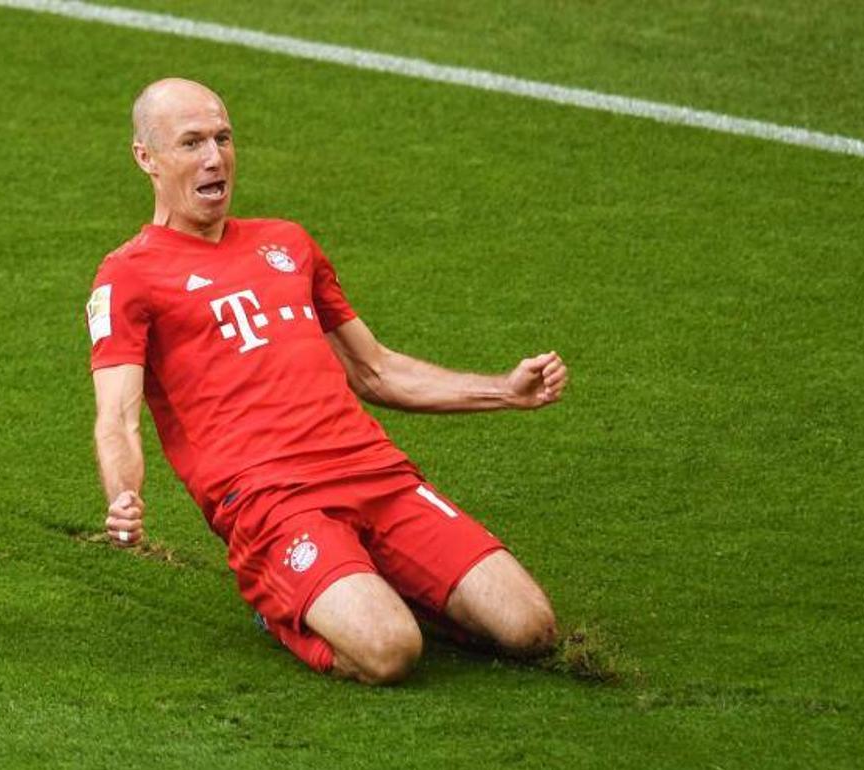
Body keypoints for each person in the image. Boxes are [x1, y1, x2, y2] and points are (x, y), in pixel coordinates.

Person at [88, 78, 569, 685]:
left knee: (530, 629)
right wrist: (122, 495)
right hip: (272, 501)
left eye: (223, 138)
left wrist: (504, 390)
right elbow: (118, 416)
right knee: (391, 652)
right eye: (191, 143)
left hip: (375, 473)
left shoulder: (286, 243)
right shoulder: (128, 274)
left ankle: (371, 579)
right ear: (146, 158)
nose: (215, 158)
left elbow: (375, 369)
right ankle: (284, 611)